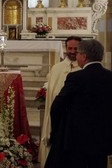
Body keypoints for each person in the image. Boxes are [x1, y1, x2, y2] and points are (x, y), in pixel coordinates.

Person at [45, 39, 112, 168]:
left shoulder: (76, 77)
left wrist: (57, 131)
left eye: (78, 53)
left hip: (77, 139)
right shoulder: (110, 76)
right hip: (103, 137)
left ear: (84, 56)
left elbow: (57, 106)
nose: (76, 56)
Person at [39, 36, 82, 167]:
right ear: (65, 48)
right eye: (70, 48)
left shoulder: (84, 69)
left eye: (76, 48)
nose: (73, 51)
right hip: (57, 117)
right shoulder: (56, 68)